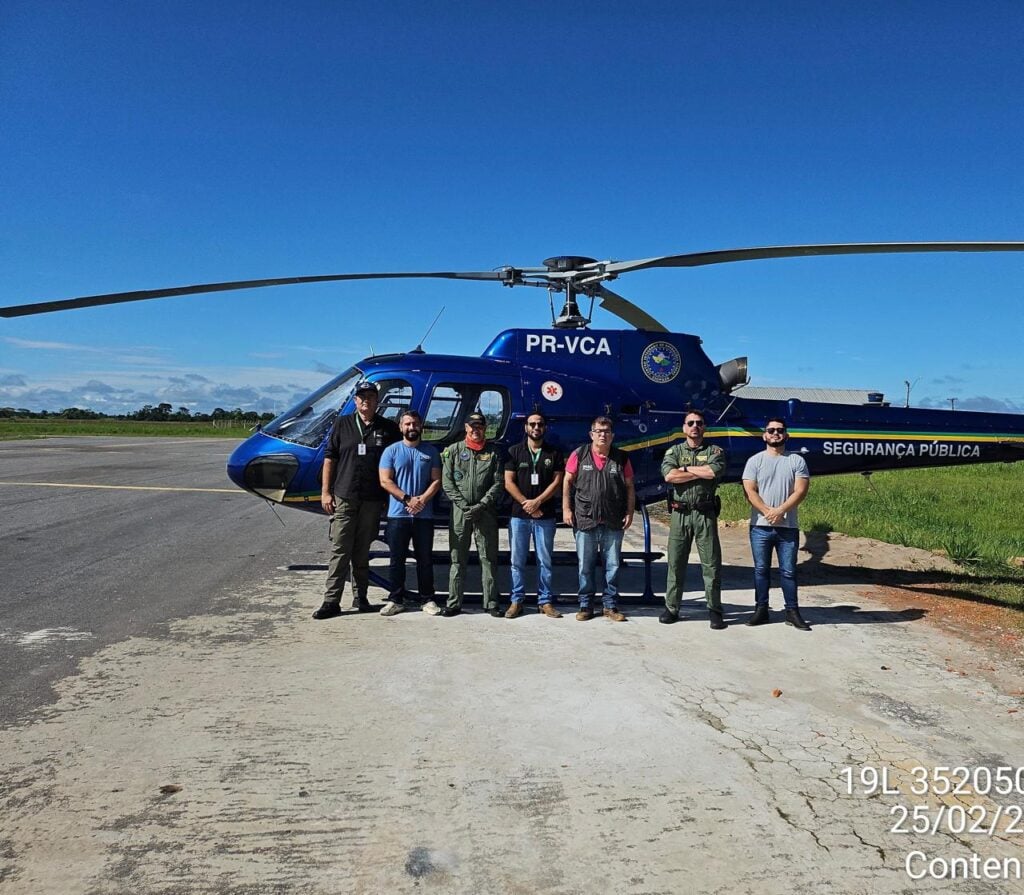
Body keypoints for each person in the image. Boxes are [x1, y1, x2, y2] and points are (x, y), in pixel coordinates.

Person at [313, 380, 400, 620]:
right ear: (355, 401)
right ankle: (331, 601)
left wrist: (389, 496)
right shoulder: (342, 424)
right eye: (361, 397)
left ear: (376, 401)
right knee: (340, 549)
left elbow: (394, 463)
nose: (365, 401)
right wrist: (326, 492)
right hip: (345, 496)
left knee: (362, 551)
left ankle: (361, 597)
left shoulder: (388, 429)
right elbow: (329, 459)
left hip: (372, 499)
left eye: (370, 397)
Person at [741, 417, 812, 630]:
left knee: (788, 571)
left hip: (787, 526)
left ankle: (792, 611)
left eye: (780, 430)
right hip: (760, 527)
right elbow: (750, 490)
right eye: (771, 430)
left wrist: (780, 511)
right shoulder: (755, 461)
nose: (775, 433)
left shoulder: (797, 461)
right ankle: (761, 609)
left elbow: (801, 490)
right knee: (761, 570)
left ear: (786, 435)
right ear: (764, 435)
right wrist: (766, 512)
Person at [562, 416, 635, 622]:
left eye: (606, 431)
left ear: (612, 436)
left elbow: (630, 487)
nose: (602, 434)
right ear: (591, 434)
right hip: (585, 520)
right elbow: (567, 482)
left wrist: (630, 512)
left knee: (612, 566)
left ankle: (610, 605)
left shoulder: (622, 458)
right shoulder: (579, 454)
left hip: (613, 521)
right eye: (598, 431)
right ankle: (585, 605)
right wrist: (566, 508)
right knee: (585, 566)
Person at [660, 409, 728, 629]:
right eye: (690, 423)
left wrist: (686, 469)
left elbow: (713, 472)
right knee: (675, 563)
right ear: (684, 428)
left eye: (699, 423)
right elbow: (670, 476)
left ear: (704, 427)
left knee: (711, 564)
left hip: (704, 514)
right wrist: (699, 470)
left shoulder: (715, 450)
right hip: (680, 515)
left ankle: (714, 609)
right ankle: (671, 608)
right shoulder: (674, 450)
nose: (695, 427)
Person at [378, 410, 442, 616]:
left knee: (425, 559)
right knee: (397, 559)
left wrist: (421, 500)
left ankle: (427, 599)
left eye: (415, 424)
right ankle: (396, 599)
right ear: (400, 427)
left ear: (421, 426)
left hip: (423, 515)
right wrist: (407, 499)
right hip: (398, 514)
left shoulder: (431, 452)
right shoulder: (391, 451)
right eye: (407, 424)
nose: (411, 427)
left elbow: (436, 480)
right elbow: (385, 480)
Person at [440, 412, 504, 617]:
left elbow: (498, 483)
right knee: (457, 558)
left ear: (485, 428)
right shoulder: (453, 451)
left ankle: (491, 603)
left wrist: (483, 504)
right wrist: (463, 504)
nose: (476, 430)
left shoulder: (493, 453)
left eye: (480, 426)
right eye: (472, 426)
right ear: (466, 428)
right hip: (460, 513)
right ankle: (454, 602)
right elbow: (447, 482)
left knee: (488, 558)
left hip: (485, 512)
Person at [503, 412, 565, 619]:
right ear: (525, 428)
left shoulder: (554, 453)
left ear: (545, 427)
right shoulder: (514, 452)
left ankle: (545, 601)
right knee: (517, 561)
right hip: (519, 516)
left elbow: (557, 481)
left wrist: (538, 502)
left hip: (545, 516)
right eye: (532, 424)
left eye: (540, 424)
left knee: (544, 560)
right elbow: (508, 482)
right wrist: (525, 503)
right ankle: (516, 600)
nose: (536, 427)